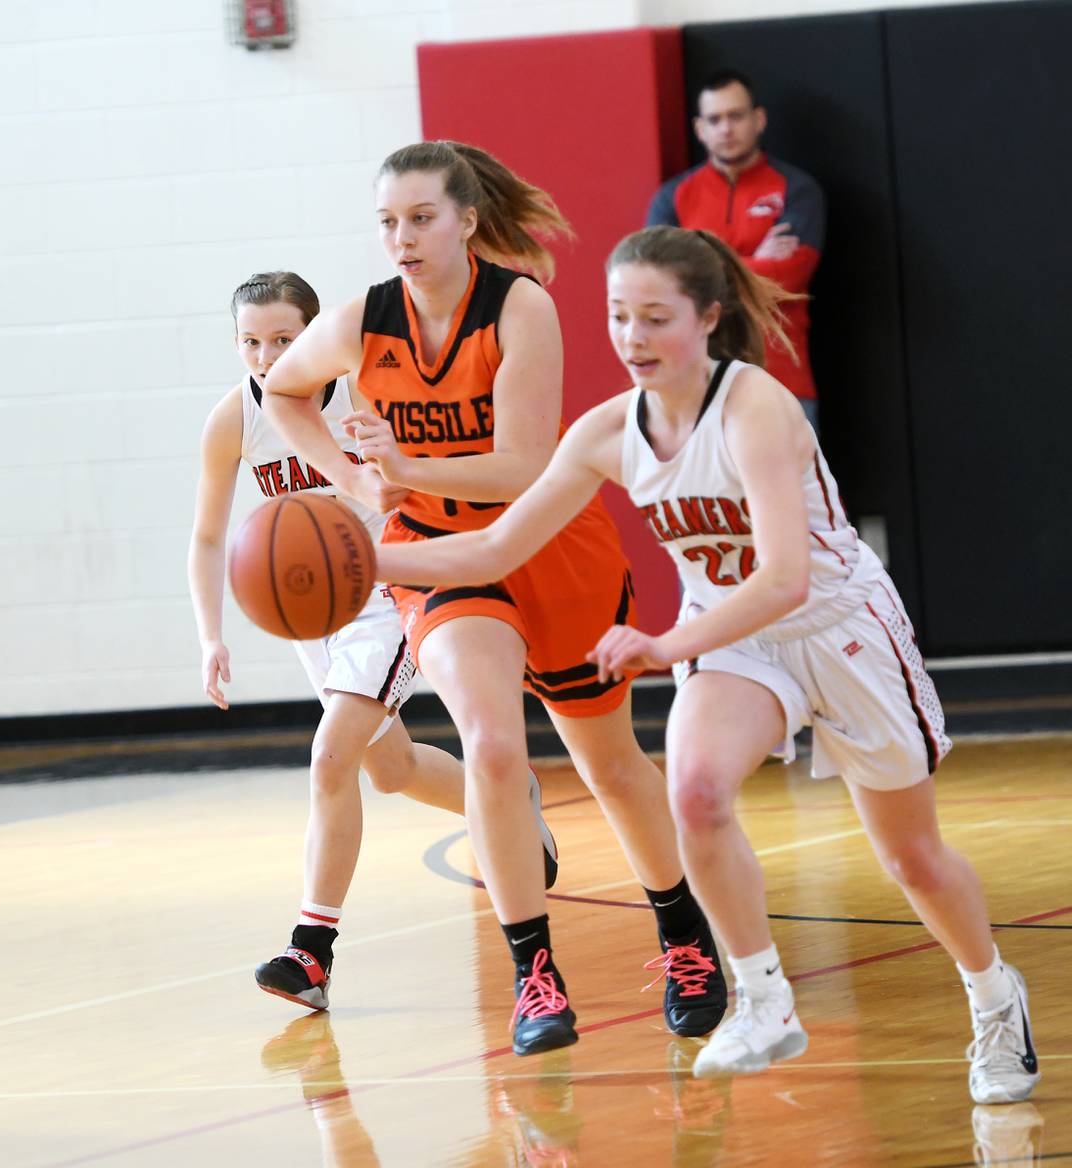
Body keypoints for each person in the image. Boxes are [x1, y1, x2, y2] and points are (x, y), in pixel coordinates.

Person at [367, 224, 1038, 1105]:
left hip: (838, 627)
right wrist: (358, 564)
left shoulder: (756, 408)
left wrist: (661, 645)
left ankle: (995, 998)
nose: (632, 339)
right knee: (694, 792)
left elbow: (786, 578)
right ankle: (762, 1000)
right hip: (733, 637)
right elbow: (489, 543)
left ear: (708, 319)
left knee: (911, 858)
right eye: (617, 318)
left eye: (655, 319)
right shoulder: (609, 432)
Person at [261, 142, 727, 1056]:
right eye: (388, 221)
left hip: (546, 541)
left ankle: (683, 935)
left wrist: (403, 463)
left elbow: (520, 463)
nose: (401, 237)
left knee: (609, 765)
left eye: (421, 218)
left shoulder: (521, 306)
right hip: (439, 556)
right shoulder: (363, 317)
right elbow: (281, 390)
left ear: (468, 220)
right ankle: (534, 974)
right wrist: (357, 485)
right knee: (492, 745)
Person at [189, 270, 558, 1012]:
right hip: (315, 615)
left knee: (331, 757)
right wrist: (211, 638)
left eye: (284, 340)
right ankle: (512, 801)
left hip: (386, 589)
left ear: (314, 338)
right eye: (251, 342)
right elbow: (206, 536)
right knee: (387, 769)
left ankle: (311, 951)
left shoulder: (362, 396)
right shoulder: (234, 418)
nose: (267, 356)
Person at [646, 69, 825, 432]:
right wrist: (759, 260)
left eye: (736, 116)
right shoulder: (673, 198)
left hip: (783, 378)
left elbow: (789, 276)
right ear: (700, 129)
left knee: (790, 490)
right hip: (696, 382)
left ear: (758, 119)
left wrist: (696, 265)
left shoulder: (797, 190)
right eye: (715, 119)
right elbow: (658, 283)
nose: (726, 129)